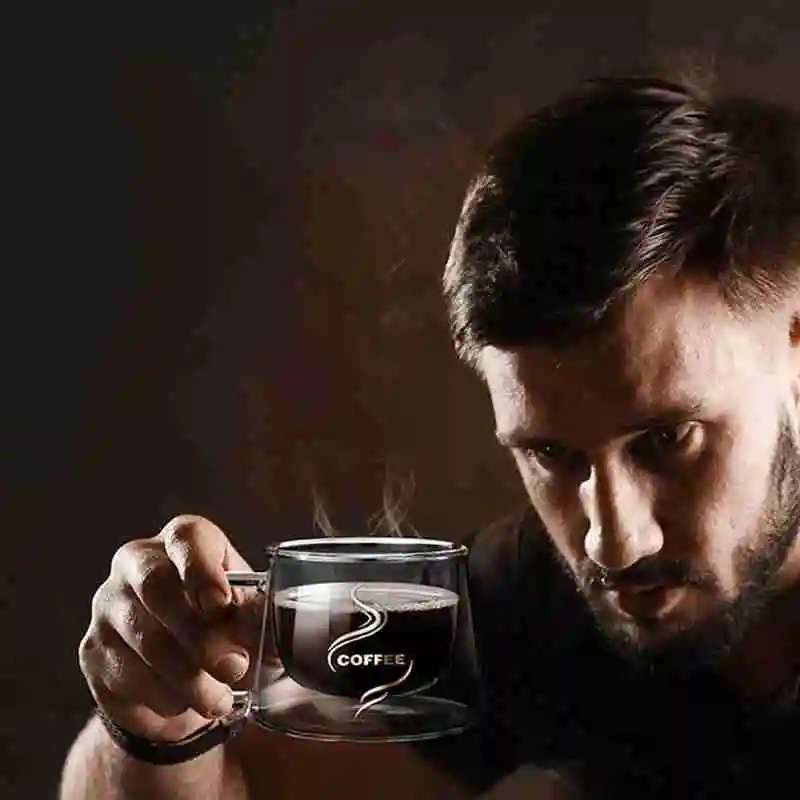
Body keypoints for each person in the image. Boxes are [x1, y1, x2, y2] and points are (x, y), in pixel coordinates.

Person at [60, 72, 800, 799]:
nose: (614, 542)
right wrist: (155, 712)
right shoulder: (537, 597)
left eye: (669, 440)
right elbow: (237, 785)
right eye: (551, 454)